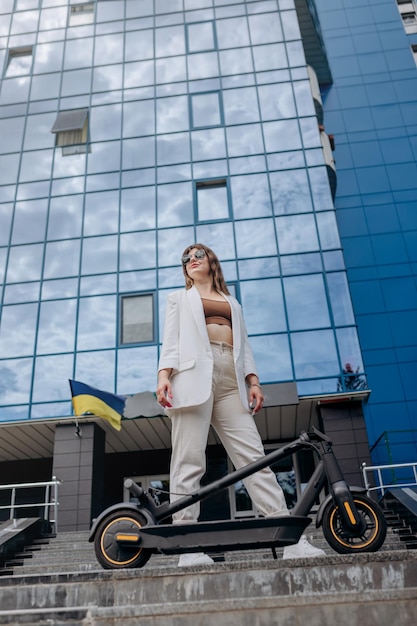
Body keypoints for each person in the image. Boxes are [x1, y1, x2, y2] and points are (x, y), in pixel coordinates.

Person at [156, 243, 325, 566]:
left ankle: (290, 539)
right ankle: (186, 547)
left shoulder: (232, 303)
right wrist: (164, 376)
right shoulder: (178, 299)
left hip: (230, 380)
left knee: (253, 458)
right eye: (186, 258)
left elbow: (243, 346)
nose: (191, 260)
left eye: (197, 255)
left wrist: (254, 381)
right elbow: (171, 342)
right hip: (191, 377)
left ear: (211, 262)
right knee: (189, 459)